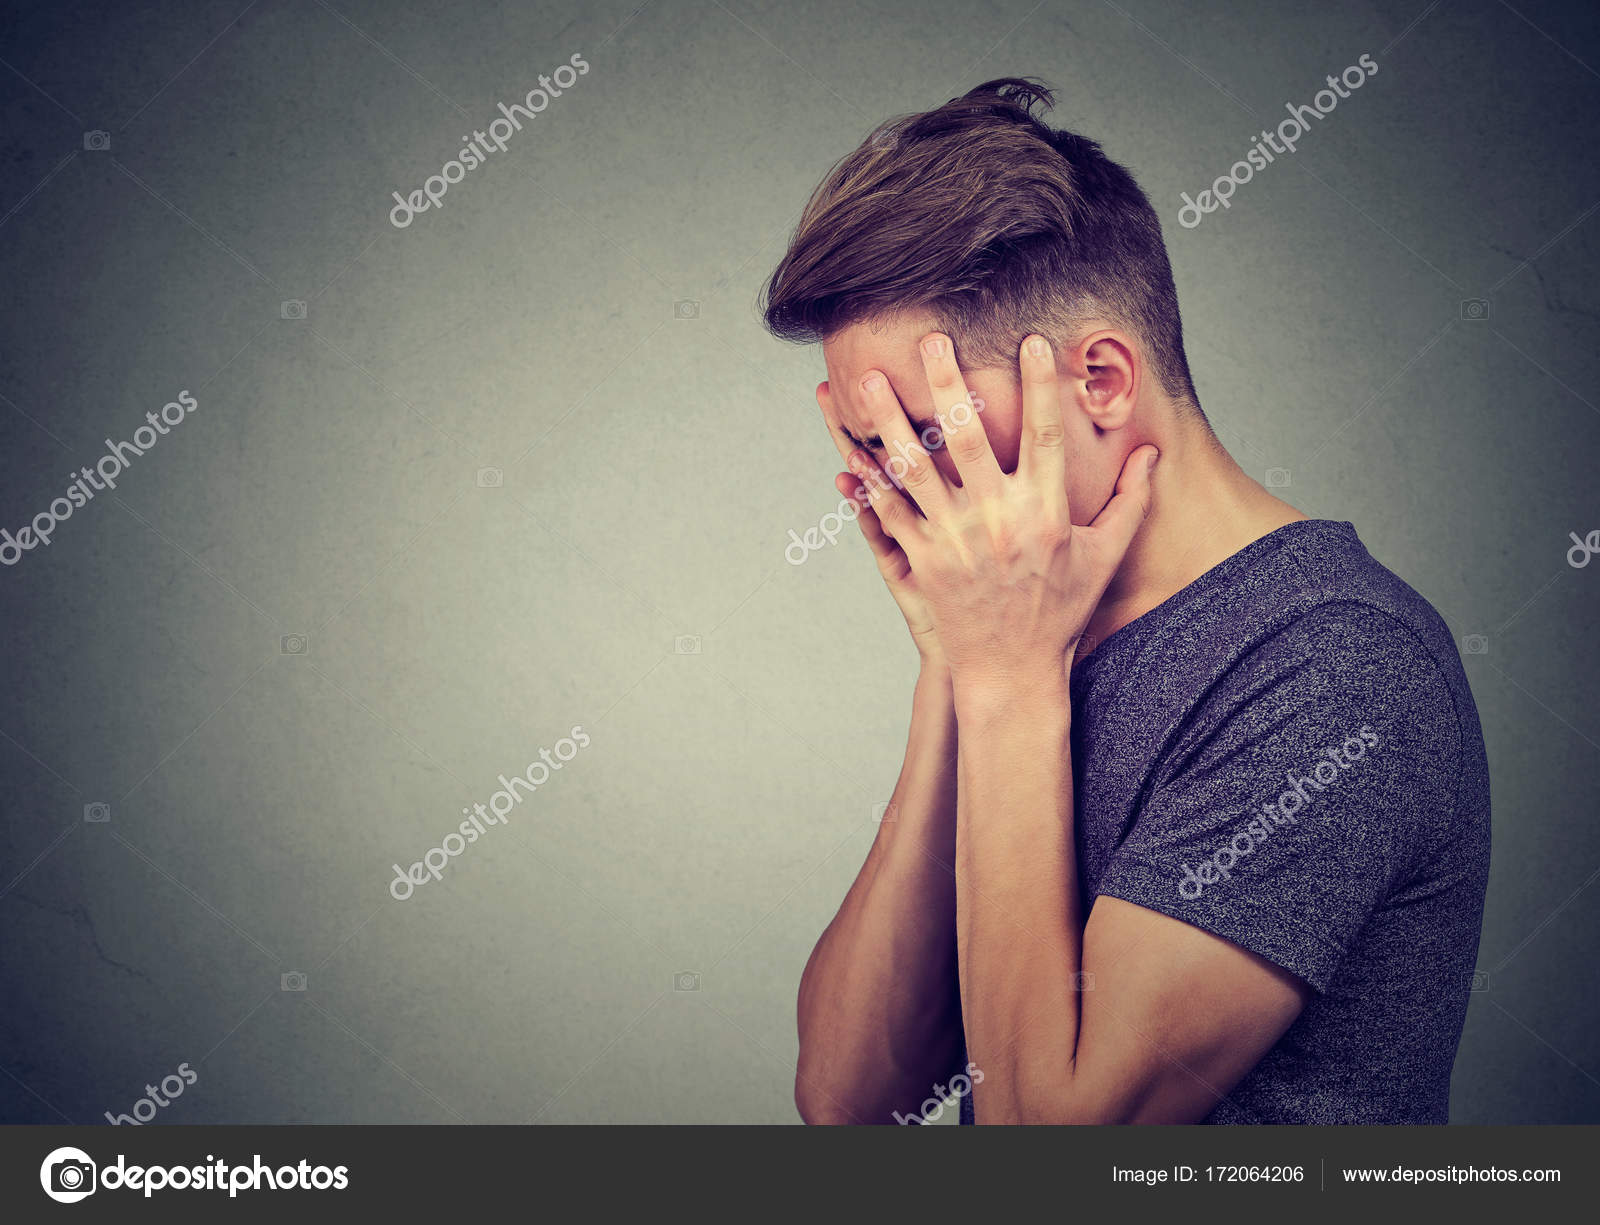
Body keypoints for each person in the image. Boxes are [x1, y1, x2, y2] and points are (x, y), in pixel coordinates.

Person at [762, 78, 1490, 1124]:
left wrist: (1007, 678)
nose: (896, 493)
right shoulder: (1025, 631)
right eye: (871, 452)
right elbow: (847, 1097)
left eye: (926, 440)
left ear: (1099, 380)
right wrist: (955, 662)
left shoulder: (1338, 668)